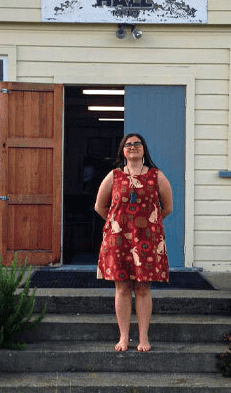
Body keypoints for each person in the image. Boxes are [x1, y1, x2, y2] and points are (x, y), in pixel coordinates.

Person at [95, 133, 173, 352]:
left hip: (146, 241)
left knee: (143, 289)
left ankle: (144, 338)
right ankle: (123, 338)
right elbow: (100, 206)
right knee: (121, 289)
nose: (132, 147)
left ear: (143, 149)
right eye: (128, 145)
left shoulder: (157, 176)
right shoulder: (114, 176)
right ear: (122, 150)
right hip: (118, 240)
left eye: (137, 144)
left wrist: (146, 226)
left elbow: (167, 207)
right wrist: (119, 224)